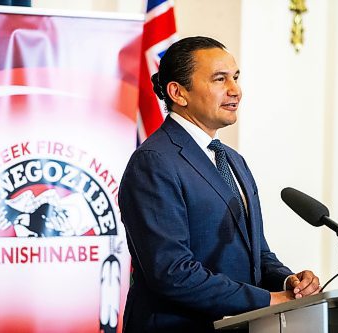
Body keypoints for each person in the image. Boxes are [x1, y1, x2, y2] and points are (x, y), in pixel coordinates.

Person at [119, 36, 320, 333]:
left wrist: (287, 281)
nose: (235, 90)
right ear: (178, 92)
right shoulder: (154, 162)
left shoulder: (232, 160)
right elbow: (171, 272)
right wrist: (267, 300)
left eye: (236, 78)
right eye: (219, 79)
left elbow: (257, 254)